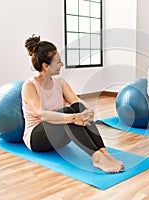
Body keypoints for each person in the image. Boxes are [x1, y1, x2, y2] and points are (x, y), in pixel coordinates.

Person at [22, 34, 124, 173]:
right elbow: (42, 114)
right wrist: (74, 118)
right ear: (46, 66)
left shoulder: (60, 83)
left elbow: (76, 101)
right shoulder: (29, 86)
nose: (62, 64)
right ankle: (97, 158)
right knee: (69, 112)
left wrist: (88, 110)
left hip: (60, 136)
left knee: (78, 108)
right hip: (38, 137)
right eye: (58, 62)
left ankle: (105, 153)